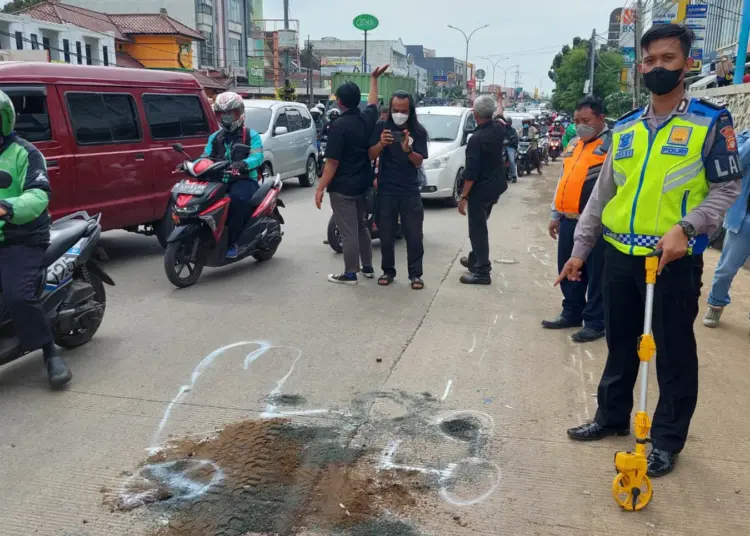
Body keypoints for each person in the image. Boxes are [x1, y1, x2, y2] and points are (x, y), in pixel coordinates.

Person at [559, 24, 742, 477]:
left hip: (673, 259)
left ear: (687, 63)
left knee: (673, 350)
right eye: (650, 61)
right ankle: (611, 417)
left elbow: (727, 188)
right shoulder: (623, 129)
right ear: (640, 67)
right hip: (619, 256)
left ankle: (665, 439)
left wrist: (687, 226)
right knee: (620, 342)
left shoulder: (710, 121)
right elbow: (602, 198)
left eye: (667, 59)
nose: (658, 67)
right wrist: (580, 250)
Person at [0, 91, 71, 388]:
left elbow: (38, 195)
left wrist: (8, 207)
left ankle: (49, 352)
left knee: (18, 294)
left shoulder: (25, 153)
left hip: (23, 236)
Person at [543, 95, 610, 343]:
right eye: (576, 120)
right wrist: (555, 214)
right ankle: (571, 312)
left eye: (586, 120)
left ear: (600, 119)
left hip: (596, 224)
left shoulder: (611, 145)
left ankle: (595, 322)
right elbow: (563, 179)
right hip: (569, 219)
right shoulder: (573, 144)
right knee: (567, 269)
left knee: (595, 273)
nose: (580, 124)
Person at [315, 65, 389, 284]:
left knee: (348, 231)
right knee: (361, 226)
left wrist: (320, 188)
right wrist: (374, 79)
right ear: (358, 100)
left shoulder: (338, 127)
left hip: (343, 188)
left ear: (339, 102)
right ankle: (367, 267)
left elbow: (332, 162)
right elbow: (374, 103)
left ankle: (349, 273)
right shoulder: (366, 119)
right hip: (362, 184)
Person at [369, 91, 429, 289]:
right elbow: (370, 155)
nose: (399, 114)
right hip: (386, 189)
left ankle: (416, 274)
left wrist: (408, 150)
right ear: (390, 109)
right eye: (395, 110)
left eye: (404, 110)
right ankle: (388, 271)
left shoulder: (418, 132)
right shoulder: (381, 127)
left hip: (410, 190)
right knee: (386, 234)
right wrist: (381, 144)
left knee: (414, 234)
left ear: (410, 110)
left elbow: (419, 161)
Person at [199, 91, 264, 259]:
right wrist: (194, 165)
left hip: (244, 180)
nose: (225, 118)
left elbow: (258, 157)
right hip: (219, 180)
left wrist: (243, 165)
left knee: (237, 200)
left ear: (239, 113)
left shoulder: (251, 135)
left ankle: (233, 241)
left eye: (230, 113)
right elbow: (205, 156)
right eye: (222, 114)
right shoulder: (215, 137)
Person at [457, 95, 508, 284]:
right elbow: (501, 115)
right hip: (495, 188)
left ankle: (482, 272)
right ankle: (476, 259)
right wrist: (500, 100)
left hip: (480, 191)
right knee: (481, 226)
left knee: (477, 231)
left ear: (475, 114)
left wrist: (463, 197)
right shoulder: (498, 129)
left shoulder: (476, 139)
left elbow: (471, 174)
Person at [703, 128, 750, 329]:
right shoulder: (743, 138)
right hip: (743, 218)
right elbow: (736, 164)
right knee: (726, 270)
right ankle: (716, 303)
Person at [502, 116, 519, 184]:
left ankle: (514, 176)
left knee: (511, 160)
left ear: (511, 123)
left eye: (509, 122)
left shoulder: (513, 130)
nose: (507, 123)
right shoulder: (502, 129)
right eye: (506, 122)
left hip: (510, 147)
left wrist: (509, 142)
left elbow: (515, 138)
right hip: (502, 147)